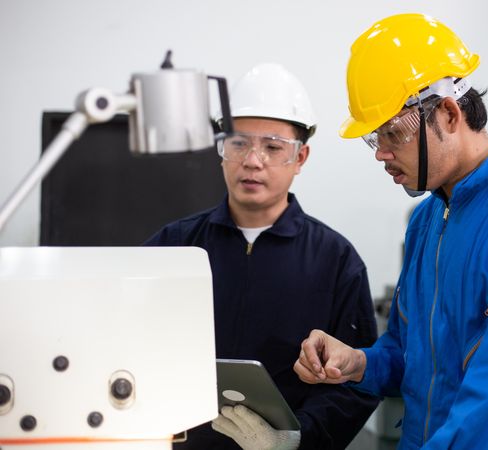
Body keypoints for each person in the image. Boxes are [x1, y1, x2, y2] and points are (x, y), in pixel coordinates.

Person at [294, 13, 488, 450]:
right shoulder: (425, 223)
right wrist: (359, 362)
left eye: (392, 132)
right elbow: (414, 355)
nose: (381, 153)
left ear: (449, 112)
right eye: (373, 139)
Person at [145, 63, 379, 450]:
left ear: (300, 158)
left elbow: (356, 382)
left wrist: (293, 440)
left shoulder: (336, 260)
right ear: (221, 149)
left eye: (272, 147)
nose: (252, 161)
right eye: (238, 143)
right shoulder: (175, 246)